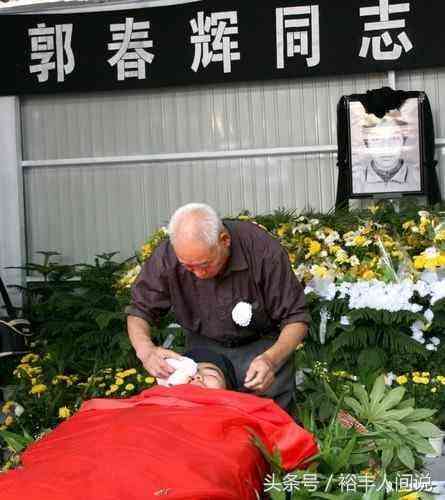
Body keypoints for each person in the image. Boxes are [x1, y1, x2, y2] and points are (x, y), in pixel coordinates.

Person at [0, 348, 318, 500]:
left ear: (228, 388)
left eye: (209, 374)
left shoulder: (240, 407)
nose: (196, 377)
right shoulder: (130, 404)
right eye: (187, 372)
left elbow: (292, 443)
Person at [126, 203, 309, 411]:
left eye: (205, 264)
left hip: (262, 346)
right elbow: (139, 311)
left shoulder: (261, 249)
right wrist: (146, 350)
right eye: (188, 267)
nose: (198, 274)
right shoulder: (167, 256)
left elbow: (296, 318)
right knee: (203, 419)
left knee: (270, 420)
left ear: (224, 240)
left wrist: (271, 360)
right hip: (204, 350)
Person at [352, 110, 421, 194]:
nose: (386, 147)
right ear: (367, 143)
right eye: (376, 139)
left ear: (403, 141)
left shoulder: (419, 179)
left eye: (394, 138)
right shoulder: (354, 182)